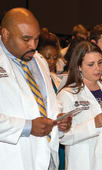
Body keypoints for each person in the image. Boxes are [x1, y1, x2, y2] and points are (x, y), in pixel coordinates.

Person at [0, 8, 71, 170]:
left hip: (47, 156)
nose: (33, 45)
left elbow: (48, 103)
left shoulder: (39, 61)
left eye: (36, 39)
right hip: (12, 158)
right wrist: (27, 126)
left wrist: (58, 121)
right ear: (5, 34)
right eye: (26, 39)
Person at [57, 41, 102, 170]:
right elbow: (63, 137)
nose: (98, 68)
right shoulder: (67, 95)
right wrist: (93, 123)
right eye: (91, 64)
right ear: (79, 66)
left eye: (100, 63)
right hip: (85, 163)